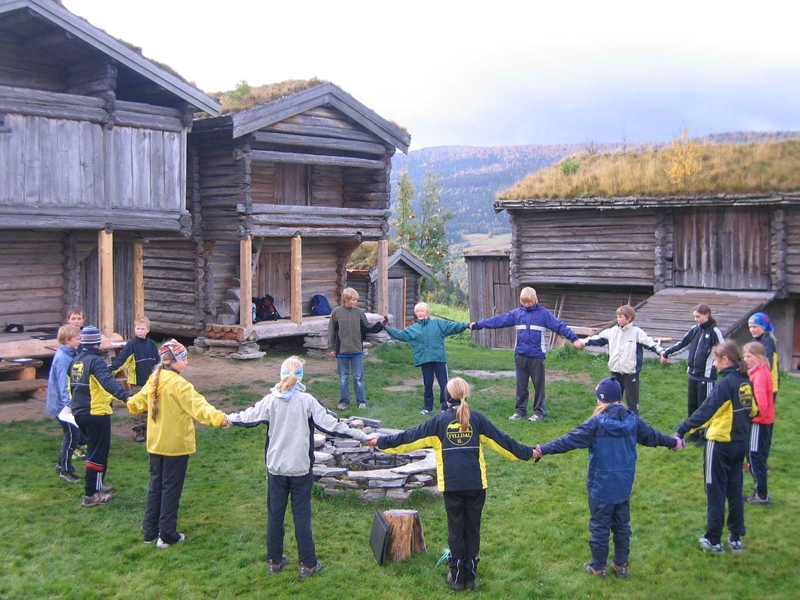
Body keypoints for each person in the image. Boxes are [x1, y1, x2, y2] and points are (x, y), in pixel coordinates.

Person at [367, 377, 534, 591]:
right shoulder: (478, 420)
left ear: (447, 398)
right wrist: (529, 452)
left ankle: (457, 578)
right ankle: (469, 576)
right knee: (472, 529)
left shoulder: (438, 422)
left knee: (456, 530)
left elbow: (408, 438)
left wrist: (380, 442)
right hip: (476, 485)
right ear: (466, 395)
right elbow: (505, 443)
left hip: (452, 487)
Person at [226, 356, 368, 579]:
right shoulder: (307, 400)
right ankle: (308, 565)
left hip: (276, 468)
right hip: (300, 468)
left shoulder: (270, 400)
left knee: (275, 514)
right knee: (301, 516)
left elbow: (247, 416)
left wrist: (227, 419)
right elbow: (333, 425)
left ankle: (274, 561)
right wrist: (361, 435)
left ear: (281, 373)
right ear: (302, 375)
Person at [534, 377, 681, 579]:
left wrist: (542, 449)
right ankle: (621, 565)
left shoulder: (595, 424)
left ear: (602, 399)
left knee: (600, 526)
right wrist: (673, 442)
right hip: (623, 486)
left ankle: (598, 566)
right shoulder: (633, 420)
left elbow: (568, 440)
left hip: (600, 487)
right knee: (622, 525)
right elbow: (654, 436)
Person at [126, 339, 230, 548]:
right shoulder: (179, 385)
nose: (187, 363)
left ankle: (149, 532)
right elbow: (199, 407)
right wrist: (220, 418)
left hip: (156, 444)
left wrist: (129, 401)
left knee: (156, 487)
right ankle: (167, 535)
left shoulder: (153, 379)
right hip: (175, 446)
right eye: (184, 359)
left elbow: (136, 405)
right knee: (171, 489)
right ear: (172, 361)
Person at [674, 341, 758, 554]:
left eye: (715, 359)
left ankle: (713, 540)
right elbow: (754, 410)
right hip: (740, 444)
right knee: (735, 489)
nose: (714, 363)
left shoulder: (725, 384)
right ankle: (736, 537)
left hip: (720, 444)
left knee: (715, 490)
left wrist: (682, 429)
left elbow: (707, 411)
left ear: (725, 360)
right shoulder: (745, 382)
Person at [470, 287, 580, 421]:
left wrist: (574, 338)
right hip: (520, 355)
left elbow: (559, 326)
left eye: (529, 302)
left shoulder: (544, 314)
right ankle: (520, 411)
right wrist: (478, 325)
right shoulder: (517, 314)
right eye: (524, 302)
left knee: (539, 386)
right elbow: (498, 320)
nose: (527, 304)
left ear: (535, 300)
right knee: (521, 385)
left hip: (537, 356)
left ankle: (539, 412)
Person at [68, 326, 131, 508]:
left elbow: (71, 385)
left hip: (80, 411)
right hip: (96, 412)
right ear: (96, 342)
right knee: (97, 454)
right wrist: (126, 396)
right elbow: (108, 381)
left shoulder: (76, 361)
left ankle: (98, 485)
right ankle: (91, 494)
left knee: (96, 451)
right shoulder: (96, 362)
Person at [575, 305, 665, 416]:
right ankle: (614, 417)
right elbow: (596, 339)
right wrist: (582, 342)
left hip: (630, 373)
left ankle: (634, 421)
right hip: (615, 371)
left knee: (632, 400)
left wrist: (662, 353)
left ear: (629, 318)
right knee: (614, 398)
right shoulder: (611, 332)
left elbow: (650, 343)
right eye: (617, 317)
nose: (618, 319)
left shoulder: (637, 332)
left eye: (621, 317)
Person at [385, 302, 470, 415]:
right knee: (427, 384)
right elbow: (400, 334)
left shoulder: (438, 324)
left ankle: (445, 406)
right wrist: (385, 328)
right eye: (417, 311)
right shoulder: (413, 329)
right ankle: (427, 407)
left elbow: (453, 326)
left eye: (422, 311)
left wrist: (467, 325)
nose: (420, 313)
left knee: (444, 384)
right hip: (425, 360)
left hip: (439, 359)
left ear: (427, 312)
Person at [660, 304, 724, 418]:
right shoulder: (694, 330)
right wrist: (666, 353)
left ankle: (705, 434)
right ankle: (692, 433)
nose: (696, 319)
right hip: (692, 375)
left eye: (698, 316)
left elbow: (724, 350)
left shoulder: (715, 331)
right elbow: (683, 344)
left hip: (706, 376)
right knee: (692, 407)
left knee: (705, 408)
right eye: (694, 317)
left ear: (707, 315)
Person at [327, 287, 385, 410]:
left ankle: (361, 401)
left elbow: (367, 327)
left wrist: (380, 325)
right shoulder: (336, 313)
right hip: (342, 351)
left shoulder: (359, 312)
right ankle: (344, 401)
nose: (355, 302)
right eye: (353, 300)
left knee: (358, 377)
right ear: (346, 299)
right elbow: (331, 331)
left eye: (356, 300)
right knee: (343, 377)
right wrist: (331, 348)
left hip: (357, 351)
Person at [111, 316, 160, 443]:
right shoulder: (131, 345)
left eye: (142, 329)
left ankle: (147, 429)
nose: (140, 331)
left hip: (150, 382)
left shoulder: (152, 345)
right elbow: (121, 360)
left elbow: (158, 363)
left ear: (148, 330)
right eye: (137, 328)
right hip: (136, 382)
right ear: (134, 329)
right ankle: (137, 430)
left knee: (149, 405)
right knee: (137, 406)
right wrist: (109, 372)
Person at [45, 324, 82, 484]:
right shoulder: (63, 359)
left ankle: (62, 464)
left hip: (63, 405)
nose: (79, 342)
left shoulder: (69, 353)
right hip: (63, 407)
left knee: (72, 435)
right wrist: (71, 406)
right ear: (67, 340)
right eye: (77, 339)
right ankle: (65, 471)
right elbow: (63, 386)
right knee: (72, 436)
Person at [742, 342, 774, 506]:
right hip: (761, 422)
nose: (746, 359)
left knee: (755, 457)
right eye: (745, 356)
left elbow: (760, 404)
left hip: (758, 423)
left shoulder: (760, 375)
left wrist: (749, 416)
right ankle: (761, 492)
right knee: (756, 457)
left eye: (749, 356)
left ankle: (761, 495)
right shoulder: (759, 371)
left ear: (759, 357)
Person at [748, 313, 779, 402]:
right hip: (757, 380)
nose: (752, 330)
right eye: (750, 327)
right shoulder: (756, 339)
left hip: (768, 383)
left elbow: (767, 362)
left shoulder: (768, 341)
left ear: (763, 327)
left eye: (755, 327)